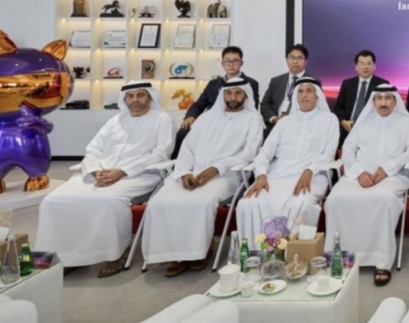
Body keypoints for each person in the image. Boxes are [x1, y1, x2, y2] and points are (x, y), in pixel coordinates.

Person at [35, 81, 173, 278]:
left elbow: (161, 153)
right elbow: (93, 149)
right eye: (130, 96)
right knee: (53, 200)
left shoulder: (162, 119)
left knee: (108, 201)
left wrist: (122, 171)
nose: (135, 100)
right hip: (101, 174)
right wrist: (94, 171)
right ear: (124, 99)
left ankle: (116, 254)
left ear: (150, 97)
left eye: (141, 95)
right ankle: (68, 256)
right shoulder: (115, 121)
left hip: (140, 174)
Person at [143, 78, 261, 276]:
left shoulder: (253, 119)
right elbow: (187, 148)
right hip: (192, 172)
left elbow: (250, 152)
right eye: (229, 93)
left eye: (238, 93)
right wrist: (184, 172)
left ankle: (198, 253)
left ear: (246, 95)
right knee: (159, 201)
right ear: (222, 95)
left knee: (201, 201)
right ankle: (175, 254)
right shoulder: (206, 118)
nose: (233, 97)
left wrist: (216, 168)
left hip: (227, 175)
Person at [324, 85, 409, 287]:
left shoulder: (404, 122)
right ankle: (341, 257)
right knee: (335, 199)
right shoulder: (363, 122)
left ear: (395, 101)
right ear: (373, 102)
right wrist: (359, 173)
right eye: (379, 98)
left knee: (384, 199)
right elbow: (348, 149)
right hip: (358, 175)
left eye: (388, 98)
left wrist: (387, 169)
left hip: (393, 176)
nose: (383, 102)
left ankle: (381, 261)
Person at [237, 78, 339, 243]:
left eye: (309, 91)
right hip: (277, 175)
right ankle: (257, 252)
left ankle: (294, 254)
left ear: (317, 96)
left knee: (301, 204)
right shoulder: (284, 122)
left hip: (313, 176)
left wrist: (309, 170)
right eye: (300, 91)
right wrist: (261, 175)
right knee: (248, 203)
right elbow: (265, 151)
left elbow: (329, 153)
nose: (304, 95)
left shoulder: (329, 120)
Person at [174, 46, 260, 158]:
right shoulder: (213, 84)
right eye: (227, 61)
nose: (231, 64)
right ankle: (177, 163)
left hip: (236, 121)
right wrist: (190, 116)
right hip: (211, 120)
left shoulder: (250, 83)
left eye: (235, 61)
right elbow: (199, 104)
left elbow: (252, 106)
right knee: (183, 132)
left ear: (241, 63)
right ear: (222, 63)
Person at [333, 50, 390, 146]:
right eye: (362, 63)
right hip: (348, 128)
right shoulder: (347, 84)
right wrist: (343, 122)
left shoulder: (382, 84)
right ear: (356, 67)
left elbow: (385, 109)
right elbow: (338, 107)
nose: (365, 67)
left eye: (369, 63)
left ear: (374, 66)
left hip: (372, 129)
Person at [260, 43, 318, 137]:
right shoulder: (276, 81)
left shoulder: (313, 82)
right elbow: (265, 104)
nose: (295, 61)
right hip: (275, 126)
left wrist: (290, 120)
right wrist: (274, 119)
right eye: (291, 57)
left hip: (300, 128)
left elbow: (315, 108)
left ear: (306, 61)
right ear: (286, 60)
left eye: (299, 58)